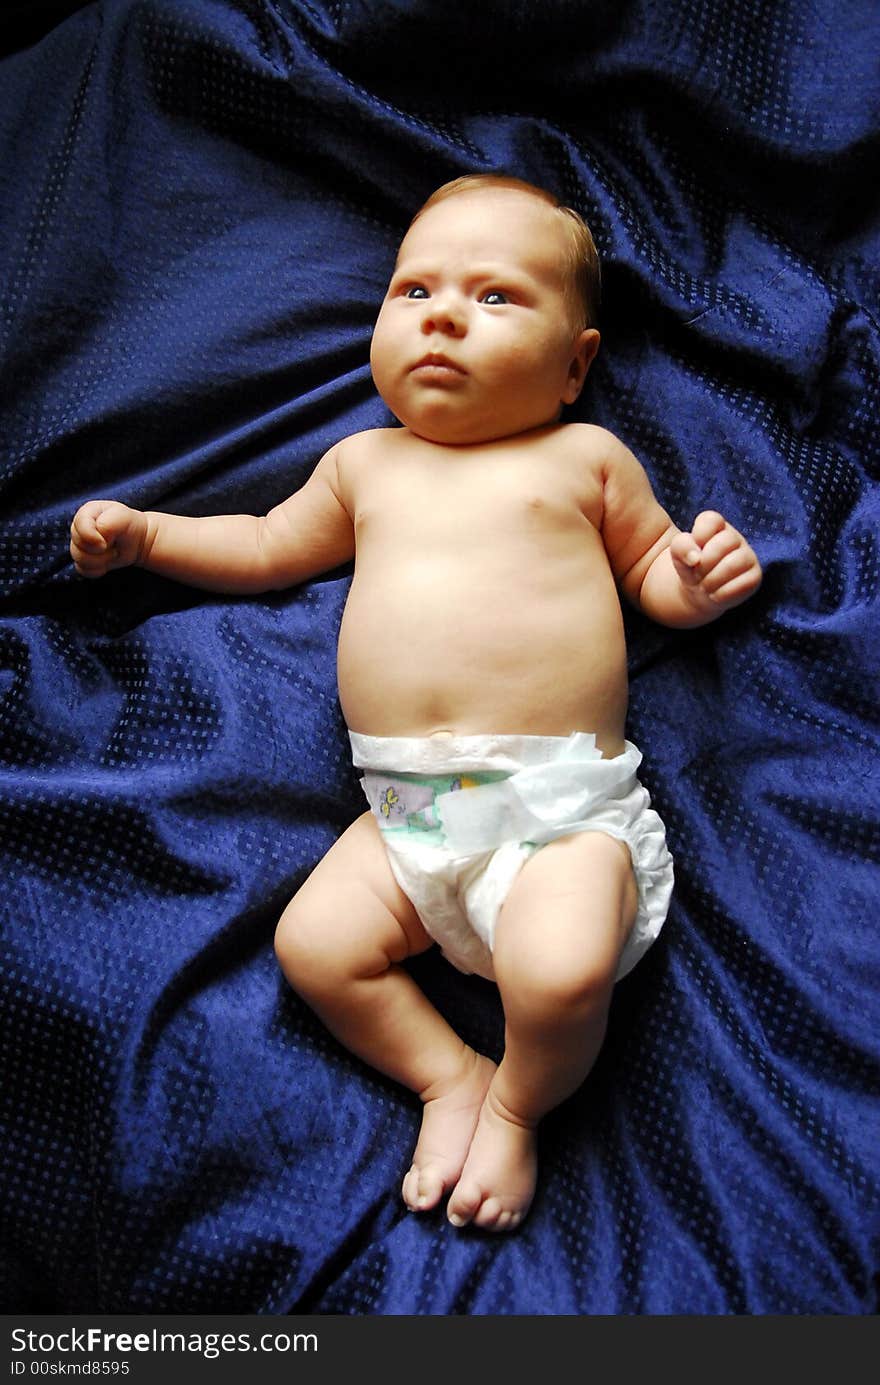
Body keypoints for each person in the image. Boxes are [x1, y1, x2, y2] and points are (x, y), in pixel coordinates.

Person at [70, 174, 762, 1232]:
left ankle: (521, 1109)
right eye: (413, 290)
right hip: (410, 814)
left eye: (495, 297)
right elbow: (263, 545)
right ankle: (448, 1074)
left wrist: (695, 582)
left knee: (561, 966)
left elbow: (651, 579)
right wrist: (151, 536)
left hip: (556, 811)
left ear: (575, 365)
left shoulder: (582, 460)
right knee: (315, 947)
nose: (442, 313)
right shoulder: (363, 465)